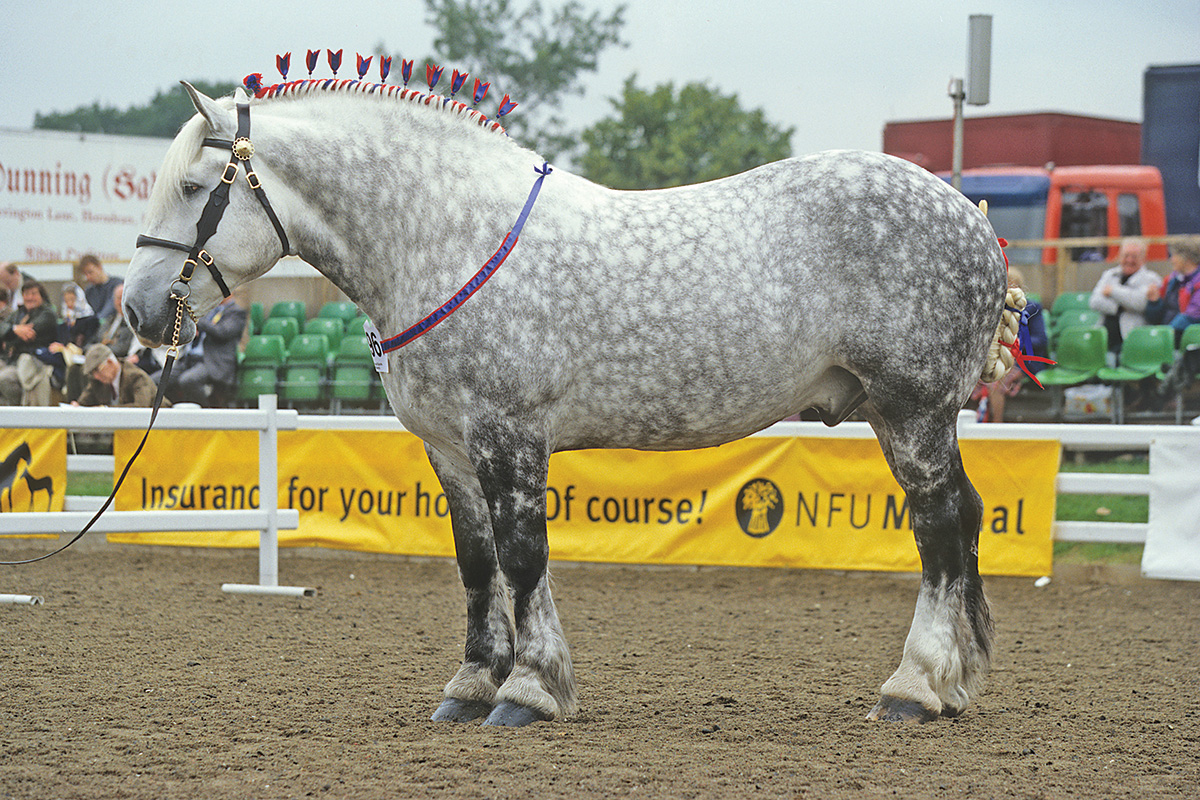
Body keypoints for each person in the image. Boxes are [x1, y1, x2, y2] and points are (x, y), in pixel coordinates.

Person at [975, 268, 1049, 422]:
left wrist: (1017, 344)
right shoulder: (994, 309)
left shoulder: (1032, 308)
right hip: (999, 357)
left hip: (1027, 359)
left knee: (996, 381)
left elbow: (1041, 340)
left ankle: (997, 425)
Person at [163, 292, 247, 406]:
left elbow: (222, 332)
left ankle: (206, 413)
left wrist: (197, 320)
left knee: (188, 380)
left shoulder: (236, 312)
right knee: (158, 380)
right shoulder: (209, 311)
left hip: (211, 361)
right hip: (188, 360)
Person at [1089, 238, 1161, 356]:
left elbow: (1140, 303)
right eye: (1126, 255)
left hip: (1132, 339)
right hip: (1104, 335)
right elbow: (1094, 302)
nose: (1129, 260)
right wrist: (1121, 307)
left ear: (1143, 259)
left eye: (1134, 256)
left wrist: (1112, 291)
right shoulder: (1109, 274)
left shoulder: (1151, 278)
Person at [0, 280, 60, 405]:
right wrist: (15, 329)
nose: (29, 297)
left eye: (33, 294)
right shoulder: (17, 314)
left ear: (41, 297)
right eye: (26, 294)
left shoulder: (48, 314)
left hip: (34, 362)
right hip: (11, 360)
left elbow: (30, 334)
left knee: (3, 379)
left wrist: (10, 335)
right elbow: (2, 327)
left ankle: (17, 413)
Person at [73, 343, 165, 408]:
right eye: (93, 373)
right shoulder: (98, 380)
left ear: (110, 362)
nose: (96, 376)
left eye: (97, 370)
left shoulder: (136, 377)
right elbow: (83, 403)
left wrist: (105, 409)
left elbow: (140, 407)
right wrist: (76, 406)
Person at [79, 254, 123, 324]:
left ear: (99, 267)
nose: (88, 277)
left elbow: (109, 309)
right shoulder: (89, 291)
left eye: (90, 272)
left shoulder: (118, 285)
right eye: (85, 274)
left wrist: (96, 321)